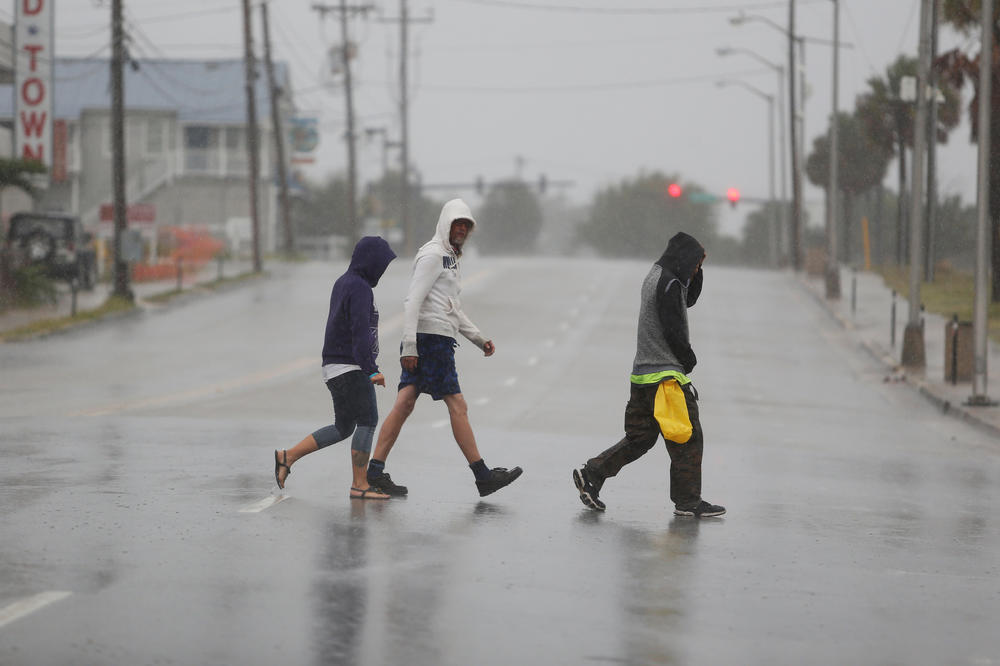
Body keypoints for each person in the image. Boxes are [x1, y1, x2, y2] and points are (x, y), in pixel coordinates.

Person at [366, 198, 522, 498]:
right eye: (457, 224)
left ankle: (374, 472)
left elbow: (450, 307)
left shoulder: (449, 257)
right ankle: (482, 475)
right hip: (430, 341)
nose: (462, 229)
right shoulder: (433, 255)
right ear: (445, 225)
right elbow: (413, 300)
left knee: (404, 404)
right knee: (457, 406)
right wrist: (409, 346)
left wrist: (477, 338)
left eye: (466, 225)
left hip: (433, 337)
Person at [572, 231, 725, 518]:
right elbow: (673, 325)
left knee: (640, 438)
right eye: (695, 263)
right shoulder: (668, 283)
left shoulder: (658, 276)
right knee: (687, 437)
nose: (695, 269)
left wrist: (698, 271)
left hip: (642, 376)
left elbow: (687, 300)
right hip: (664, 378)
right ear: (684, 258)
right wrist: (687, 357)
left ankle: (593, 474)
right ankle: (688, 501)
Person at [273, 236, 396, 500]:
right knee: (368, 420)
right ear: (371, 262)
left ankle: (288, 456)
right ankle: (359, 485)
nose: (382, 271)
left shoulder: (344, 282)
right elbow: (359, 332)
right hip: (350, 367)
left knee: (343, 427)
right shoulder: (360, 287)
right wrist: (371, 369)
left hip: (334, 367)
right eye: (382, 265)